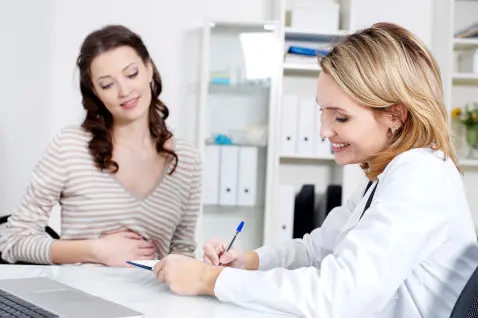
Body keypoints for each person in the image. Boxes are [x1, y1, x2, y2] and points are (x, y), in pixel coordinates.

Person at [152, 22, 478, 317]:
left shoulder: (420, 177)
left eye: (340, 117)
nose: (324, 130)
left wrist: (210, 279)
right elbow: (314, 251)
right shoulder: (389, 178)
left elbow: (339, 296)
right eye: (323, 112)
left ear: (395, 115)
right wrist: (247, 262)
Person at [0, 25, 202, 267]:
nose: (124, 91)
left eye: (131, 74)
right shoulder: (70, 147)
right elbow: (12, 241)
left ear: (149, 69)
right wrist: (97, 250)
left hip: (151, 303)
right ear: (95, 92)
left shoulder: (187, 159)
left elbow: (183, 253)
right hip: (78, 301)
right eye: (107, 85)